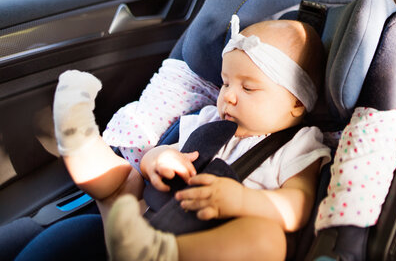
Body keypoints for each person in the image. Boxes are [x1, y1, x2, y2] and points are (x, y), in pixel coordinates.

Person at [46, 14, 330, 261]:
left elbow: (299, 205)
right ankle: (79, 138)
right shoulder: (207, 120)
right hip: (145, 223)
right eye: (226, 82)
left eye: (249, 88)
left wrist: (242, 201)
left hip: (210, 245)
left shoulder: (299, 143)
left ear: (297, 104)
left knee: (268, 240)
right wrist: (158, 158)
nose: (228, 96)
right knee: (123, 181)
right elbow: (151, 159)